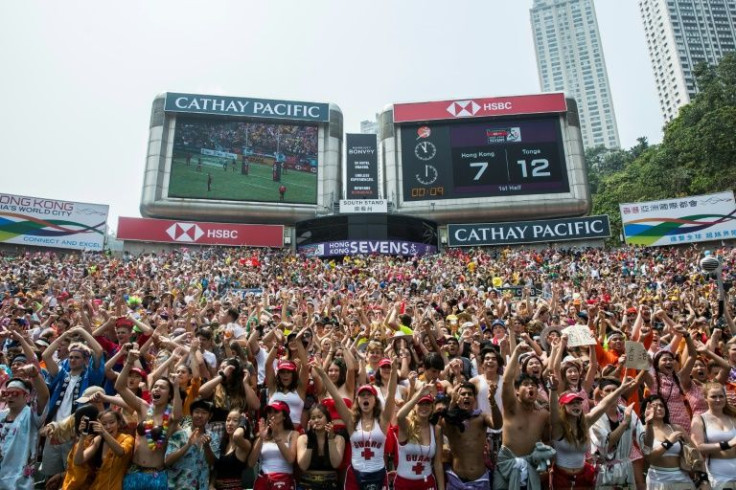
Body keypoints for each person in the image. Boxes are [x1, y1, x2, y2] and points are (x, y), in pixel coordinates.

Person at [315, 358, 398, 490]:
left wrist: (393, 373)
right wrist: (323, 374)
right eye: (362, 395)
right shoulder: (351, 421)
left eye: (369, 395)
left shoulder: (383, 421)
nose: (365, 397)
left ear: (375, 401)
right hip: (355, 474)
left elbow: (391, 395)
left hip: (379, 474)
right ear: (357, 400)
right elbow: (336, 397)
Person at [548, 372, 640, 489]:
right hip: (561, 478)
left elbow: (604, 405)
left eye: (578, 403)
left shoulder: (585, 422)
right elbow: (553, 409)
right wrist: (553, 389)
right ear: (563, 407)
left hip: (584, 477)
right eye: (571, 404)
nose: (576, 406)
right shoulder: (558, 427)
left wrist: (621, 388)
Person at [115, 349, 182, 490]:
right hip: (134, 472)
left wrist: (176, 387)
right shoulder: (143, 407)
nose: (156, 389)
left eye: (162, 388)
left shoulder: (170, 416)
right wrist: (128, 362)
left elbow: (178, 416)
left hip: (156, 476)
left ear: (169, 395)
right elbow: (120, 387)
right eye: (155, 386)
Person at [494, 342, 555, 490]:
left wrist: (548, 463)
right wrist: (515, 352)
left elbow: (547, 440)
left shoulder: (543, 414)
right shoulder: (511, 408)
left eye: (533, 385)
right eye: (526, 384)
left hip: (532, 465)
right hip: (506, 464)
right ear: (516, 391)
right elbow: (507, 381)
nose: (530, 387)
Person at [440, 380, 500, 490]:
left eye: (470, 394)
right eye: (463, 394)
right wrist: (452, 402)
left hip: (479, 481)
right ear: (457, 398)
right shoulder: (452, 420)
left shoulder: (482, 417)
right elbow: (442, 426)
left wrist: (492, 400)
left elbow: (497, 425)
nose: (466, 396)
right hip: (456, 480)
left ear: (475, 399)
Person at [589, 378, 646, 489]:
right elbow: (606, 444)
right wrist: (625, 423)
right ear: (601, 393)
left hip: (626, 470)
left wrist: (649, 422)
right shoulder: (595, 415)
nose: (612, 393)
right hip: (604, 471)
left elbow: (644, 442)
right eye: (608, 390)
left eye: (615, 390)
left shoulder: (627, 411)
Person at [0, 371, 50, 490]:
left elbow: (44, 396)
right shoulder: (1, 415)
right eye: (7, 393)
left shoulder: (31, 416)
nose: (10, 396)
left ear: (26, 396)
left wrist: (35, 375)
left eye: (15, 393)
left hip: (19, 482)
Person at [641, 394, 697, 489]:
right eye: (654, 406)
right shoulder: (642, 430)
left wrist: (703, 479)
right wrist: (669, 442)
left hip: (682, 478)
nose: (659, 408)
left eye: (662, 405)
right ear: (646, 410)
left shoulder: (676, 428)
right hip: (658, 480)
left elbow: (696, 453)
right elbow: (649, 458)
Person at [394, 385, 444, 490]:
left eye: (427, 404)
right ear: (414, 407)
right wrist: (418, 395)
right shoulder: (406, 425)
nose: (424, 407)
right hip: (403, 484)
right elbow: (399, 416)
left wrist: (441, 488)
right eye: (420, 404)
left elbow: (438, 463)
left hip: (427, 484)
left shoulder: (436, 430)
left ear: (432, 408)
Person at [165, 399, 220, 490]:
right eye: (196, 412)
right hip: (178, 486)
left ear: (210, 416)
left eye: (204, 413)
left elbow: (212, 463)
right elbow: (167, 461)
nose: (199, 415)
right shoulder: (179, 435)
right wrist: (188, 445)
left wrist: (207, 447)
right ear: (191, 414)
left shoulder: (213, 437)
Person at [73, 409, 135, 490]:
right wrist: (82, 436)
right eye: (104, 424)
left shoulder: (127, 438)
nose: (108, 427)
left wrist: (103, 432)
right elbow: (78, 461)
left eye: (112, 422)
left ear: (118, 424)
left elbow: (120, 452)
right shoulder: (98, 439)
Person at [690, 381, 736, 489]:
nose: (718, 400)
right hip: (717, 473)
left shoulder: (733, 417)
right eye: (713, 397)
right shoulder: (699, 419)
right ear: (705, 398)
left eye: (721, 396)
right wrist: (728, 444)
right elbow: (697, 447)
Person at [247, 400, 298, 490]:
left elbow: (291, 459)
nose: (272, 414)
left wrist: (277, 437)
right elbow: (251, 463)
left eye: (276, 411)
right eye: (269, 412)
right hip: (263, 480)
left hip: (284, 479)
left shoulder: (293, 434)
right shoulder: (261, 434)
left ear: (284, 416)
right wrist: (261, 438)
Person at [296, 404, 345, 490]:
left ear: (327, 419)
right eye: (313, 418)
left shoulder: (338, 439)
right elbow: (303, 466)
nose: (316, 420)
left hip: (330, 485)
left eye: (320, 417)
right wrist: (310, 441)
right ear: (309, 421)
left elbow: (336, 464)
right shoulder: (303, 439)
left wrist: (330, 439)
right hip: (307, 485)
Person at [213, 408, 252, 490]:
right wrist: (211, 484)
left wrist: (244, 421)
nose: (230, 423)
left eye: (235, 420)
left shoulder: (245, 445)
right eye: (228, 420)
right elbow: (216, 468)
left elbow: (237, 436)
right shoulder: (223, 443)